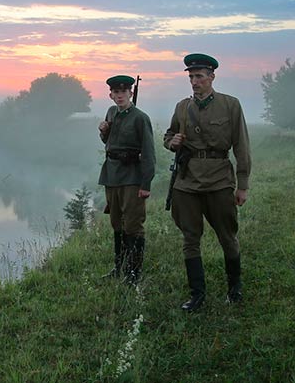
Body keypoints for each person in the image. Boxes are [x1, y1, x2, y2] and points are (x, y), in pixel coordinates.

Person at [163, 53, 251, 312]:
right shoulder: (182, 107)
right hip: (186, 182)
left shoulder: (230, 105)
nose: (194, 81)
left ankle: (234, 288)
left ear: (212, 77)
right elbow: (169, 134)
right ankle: (197, 294)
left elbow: (241, 146)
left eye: (199, 76)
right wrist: (171, 143)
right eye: (191, 77)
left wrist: (242, 184)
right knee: (190, 238)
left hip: (219, 180)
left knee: (227, 236)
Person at [98, 75, 155, 284]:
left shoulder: (140, 118)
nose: (120, 95)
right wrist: (103, 132)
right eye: (116, 92)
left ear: (131, 93)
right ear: (110, 95)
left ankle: (134, 273)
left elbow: (149, 153)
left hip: (131, 176)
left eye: (124, 92)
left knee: (133, 225)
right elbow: (109, 141)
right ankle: (119, 267)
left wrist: (145, 184)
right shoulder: (112, 112)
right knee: (116, 223)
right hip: (111, 175)